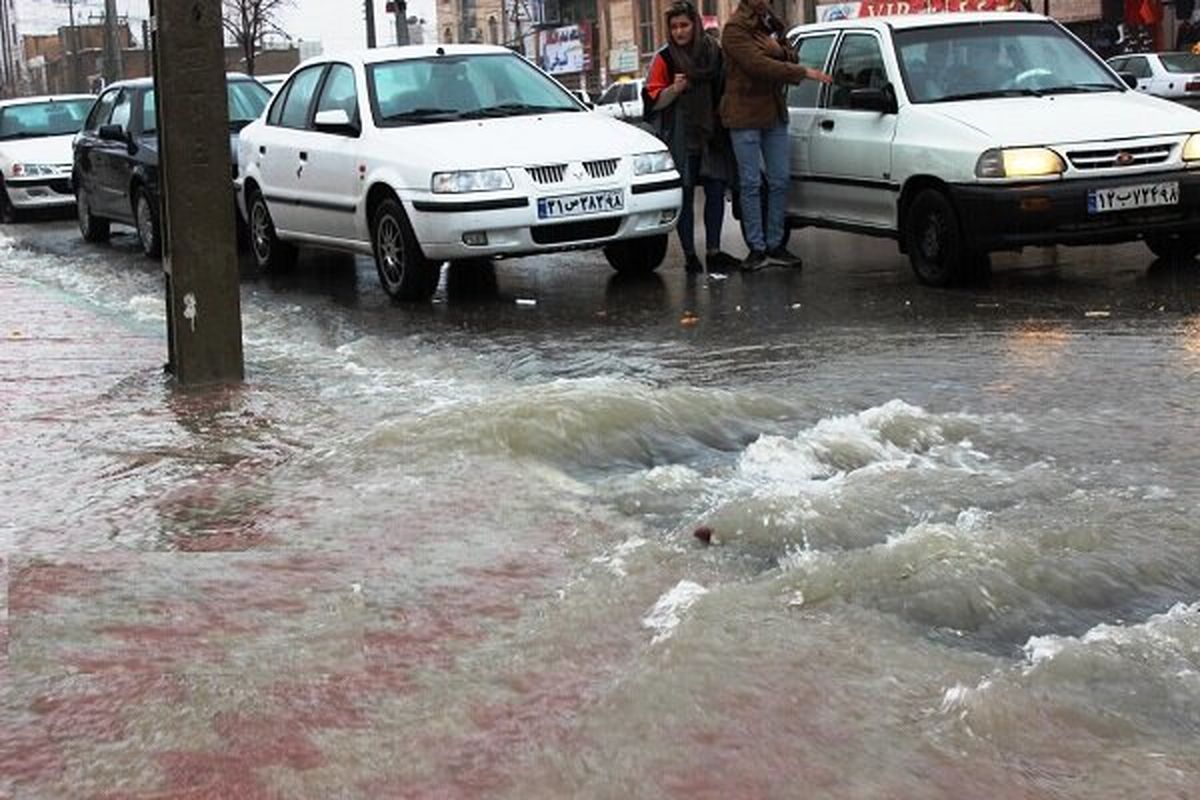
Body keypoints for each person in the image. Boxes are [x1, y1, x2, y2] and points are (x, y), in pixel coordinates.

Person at [720, 0, 832, 271]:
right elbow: (757, 65)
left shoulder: (772, 21)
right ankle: (757, 248)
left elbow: (791, 53)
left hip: (774, 112)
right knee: (750, 184)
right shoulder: (734, 28)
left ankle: (775, 244)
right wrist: (802, 72)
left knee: (780, 179)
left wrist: (779, 51)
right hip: (744, 113)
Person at [642, 0, 738, 274]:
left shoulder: (712, 52)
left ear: (695, 24)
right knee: (684, 194)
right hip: (682, 136)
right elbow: (652, 101)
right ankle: (689, 256)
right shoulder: (665, 58)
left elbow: (725, 86)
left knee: (716, 189)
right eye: (674, 27)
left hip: (711, 134)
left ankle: (714, 251)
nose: (679, 32)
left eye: (684, 25)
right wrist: (674, 89)